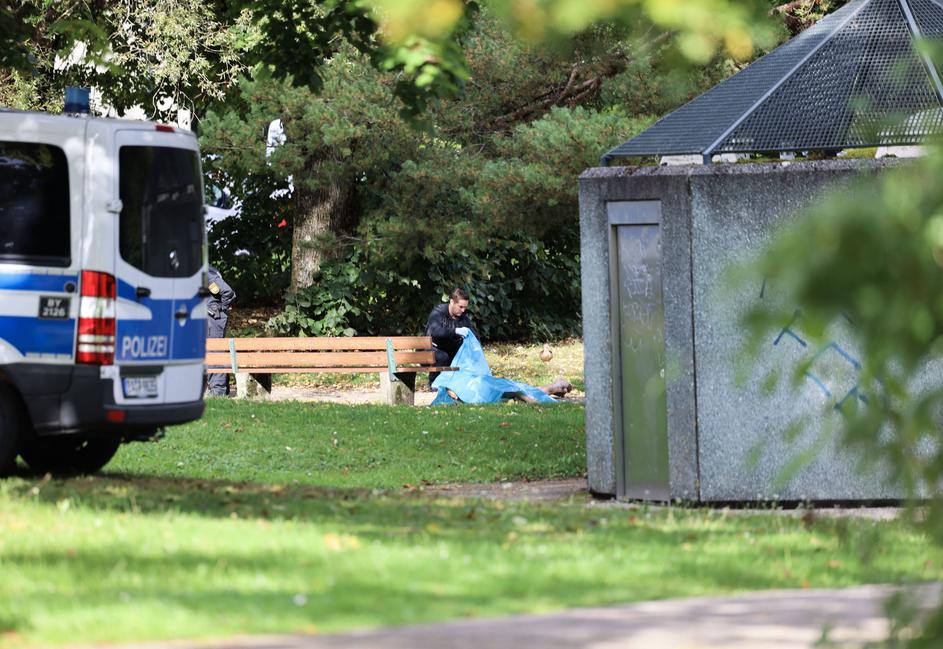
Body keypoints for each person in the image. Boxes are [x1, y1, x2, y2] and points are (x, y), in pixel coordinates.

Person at [425, 287, 477, 387]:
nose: (463, 310)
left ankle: (460, 383)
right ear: (452, 302)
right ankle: (433, 383)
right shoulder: (438, 312)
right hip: (430, 349)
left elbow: (474, 336)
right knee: (442, 356)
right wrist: (456, 331)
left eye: (465, 307)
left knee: (464, 351)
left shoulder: (463, 318)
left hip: (449, 350)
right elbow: (436, 332)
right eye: (460, 307)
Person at [206, 265, 236, 397]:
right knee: (211, 352)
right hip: (210, 318)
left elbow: (228, 292)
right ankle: (220, 389)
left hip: (213, 318)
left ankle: (218, 391)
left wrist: (219, 309)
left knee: (214, 352)